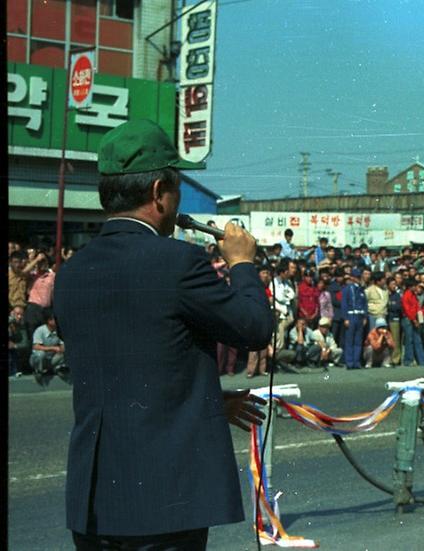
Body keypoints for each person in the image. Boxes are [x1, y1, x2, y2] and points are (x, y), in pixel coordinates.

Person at [53, 119, 273, 549]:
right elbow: (255, 327)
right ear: (159, 193)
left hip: (94, 500)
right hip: (163, 501)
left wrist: (202, 399)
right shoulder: (179, 262)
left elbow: (125, 364)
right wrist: (242, 263)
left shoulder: (72, 272)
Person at [30, 309, 67, 385]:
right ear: (49, 321)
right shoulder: (40, 330)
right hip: (39, 360)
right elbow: (36, 347)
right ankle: (38, 371)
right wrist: (53, 348)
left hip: (51, 359)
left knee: (65, 352)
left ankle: (58, 369)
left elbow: (62, 343)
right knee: (40, 354)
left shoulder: (58, 330)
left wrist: (62, 348)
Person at [341, 268, 368, 369]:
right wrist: (345, 318)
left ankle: (356, 361)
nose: (358, 279)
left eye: (359, 277)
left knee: (358, 340)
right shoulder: (347, 289)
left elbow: (365, 304)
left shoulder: (361, 290)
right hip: (351, 316)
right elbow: (344, 304)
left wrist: (365, 316)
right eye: (356, 277)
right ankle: (349, 362)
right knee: (349, 340)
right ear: (352, 277)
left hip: (359, 317)